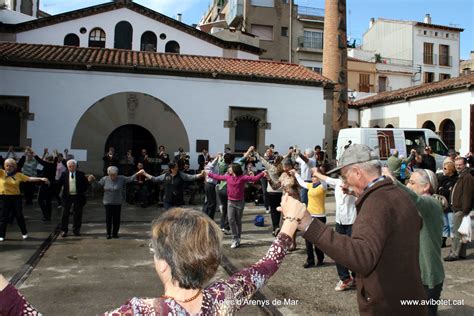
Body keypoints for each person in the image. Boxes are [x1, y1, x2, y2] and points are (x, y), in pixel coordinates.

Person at [1, 206, 301, 314]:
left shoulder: (140, 312)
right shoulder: (226, 295)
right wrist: (289, 221)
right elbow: (266, 265)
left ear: (163, 263)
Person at [279, 144, 428, 315]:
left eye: (344, 176)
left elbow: (361, 257)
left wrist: (308, 224)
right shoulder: (398, 194)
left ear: (357, 172)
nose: (344, 182)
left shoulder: (376, 202)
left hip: (387, 306)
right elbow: (415, 224)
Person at [383, 167, 445, 316]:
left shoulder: (431, 203)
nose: (409, 185)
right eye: (408, 182)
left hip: (428, 275)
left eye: (412, 182)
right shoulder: (415, 206)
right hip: (413, 273)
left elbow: (416, 199)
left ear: (426, 186)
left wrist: (394, 180)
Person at [312, 168, 357, 292]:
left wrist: (351, 192)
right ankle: (345, 278)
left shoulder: (355, 185)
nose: (343, 178)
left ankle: (357, 277)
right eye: (341, 175)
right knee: (337, 249)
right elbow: (325, 178)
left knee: (354, 251)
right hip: (340, 222)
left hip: (353, 222)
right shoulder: (337, 182)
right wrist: (315, 172)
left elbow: (362, 193)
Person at [207, 164, 266, 248]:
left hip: (239, 202)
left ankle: (238, 238)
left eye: (230, 168)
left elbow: (254, 178)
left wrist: (262, 173)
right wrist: (209, 174)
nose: (229, 169)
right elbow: (218, 177)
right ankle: (235, 238)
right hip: (230, 202)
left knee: (238, 221)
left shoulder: (242, 177)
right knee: (231, 219)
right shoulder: (227, 176)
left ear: (234, 169)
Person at [0, 158, 49, 242]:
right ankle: (1, 235)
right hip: (4, 198)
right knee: (3, 217)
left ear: (14, 167)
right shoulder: (1, 173)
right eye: (7, 166)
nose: (9, 167)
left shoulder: (18, 175)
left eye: (11, 166)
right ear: (4, 166)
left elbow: (29, 179)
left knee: (19, 215)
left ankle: (24, 233)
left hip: (16, 198)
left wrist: (41, 179)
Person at [92, 166, 141, 239]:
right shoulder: (105, 179)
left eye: (114, 174)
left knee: (116, 219)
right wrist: (93, 180)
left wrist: (138, 173)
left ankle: (115, 233)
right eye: (111, 175)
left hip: (117, 202)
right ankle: (108, 233)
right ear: (108, 174)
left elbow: (130, 179)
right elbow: (97, 186)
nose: (113, 176)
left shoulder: (121, 178)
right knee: (108, 219)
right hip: (107, 202)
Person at [293, 168, 327, 268]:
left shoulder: (323, 186)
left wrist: (319, 173)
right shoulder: (311, 185)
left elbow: (325, 181)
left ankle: (320, 259)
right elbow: (301, 182)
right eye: (312, 176)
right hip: (309, 215)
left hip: (320, 216)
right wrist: (296, 173)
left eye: (315, 176)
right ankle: (310, 260)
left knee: (318, 240)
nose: (313, 178)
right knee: (308, 239)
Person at [444, 156, 473, 261]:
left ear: (465, 165)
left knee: (457, 233)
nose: (458, 167)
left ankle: (454, 254)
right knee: (461, 233)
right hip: (458, 209)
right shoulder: (461, 176)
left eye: (460, 165)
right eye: (456, 165)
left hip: (461, 210)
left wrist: (465, 210)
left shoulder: (467, 177)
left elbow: (467, 195)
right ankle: (461, 253)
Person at [57, 159, 92, 237]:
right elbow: (58, 184)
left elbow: (85, 185)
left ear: (76, 167)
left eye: (73, 166)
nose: (71, 168)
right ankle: (64, 230)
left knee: (77, 214)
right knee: (64, 214)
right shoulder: (64, 174)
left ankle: (76, 230)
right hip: (67, 196)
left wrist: (89, 181)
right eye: (70, 167)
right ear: (67, 167)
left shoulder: (81, 174)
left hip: (77, 196)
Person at [256, 151, 284, 236]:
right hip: (281, 192)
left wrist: (256, 153)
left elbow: (262, 160)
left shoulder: (270, 167)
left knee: (273, 210)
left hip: (271, 191)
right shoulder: (282, 170)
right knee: (280, 210)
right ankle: (280, 227)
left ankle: (275, 227)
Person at [437, 161, 458, 247]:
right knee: (444, 224)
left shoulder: (456, 179)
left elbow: (452, 192)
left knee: (452, 225)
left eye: (445, 168)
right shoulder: (442, 178)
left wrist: (444, 190)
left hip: (451, 205)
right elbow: (439, 190)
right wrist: (445, 190)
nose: (443, 170)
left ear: (450, 169)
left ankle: (454, 241)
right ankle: (443, 240)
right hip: (442, 205)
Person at [33, 151, 56, 221]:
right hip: (51, 185)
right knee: (48, 201)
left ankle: (46, 215)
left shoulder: (47, 164)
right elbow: (56, 159)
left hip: (45, 185)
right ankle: (48, 216)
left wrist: (34, 154)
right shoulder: (54, 165)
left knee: (40, 200)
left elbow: (39, 160)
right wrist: (54, 154)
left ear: (47, 159)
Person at [202, 153, 220, 220]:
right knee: (212, 203)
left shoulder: (213, 166)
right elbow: (213, 163)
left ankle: (205, 216)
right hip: (209, 184)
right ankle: (209, 218)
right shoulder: (209, 165)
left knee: (208, 201)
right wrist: (217, 157)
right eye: (212, 158)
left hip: (209, 184)